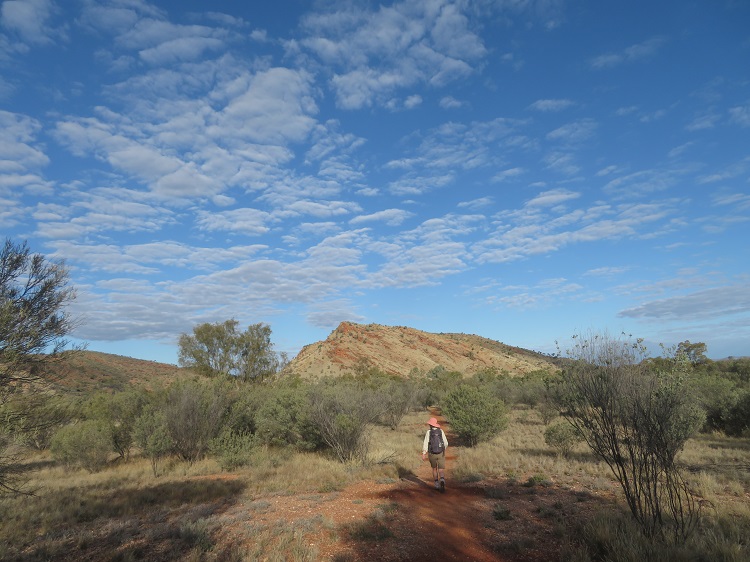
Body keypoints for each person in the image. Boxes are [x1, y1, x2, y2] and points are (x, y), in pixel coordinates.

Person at [422, 417, 448, 491]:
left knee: (434, 468)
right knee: (441, 469)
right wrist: (443, 449)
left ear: (430, 424)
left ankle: (436, 484)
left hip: (432, 453)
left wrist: (424, 453)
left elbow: (425, 443)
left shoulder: (428, 432)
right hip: (441, 453)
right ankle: (442, 480)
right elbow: (446, 443)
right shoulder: (441, 431)